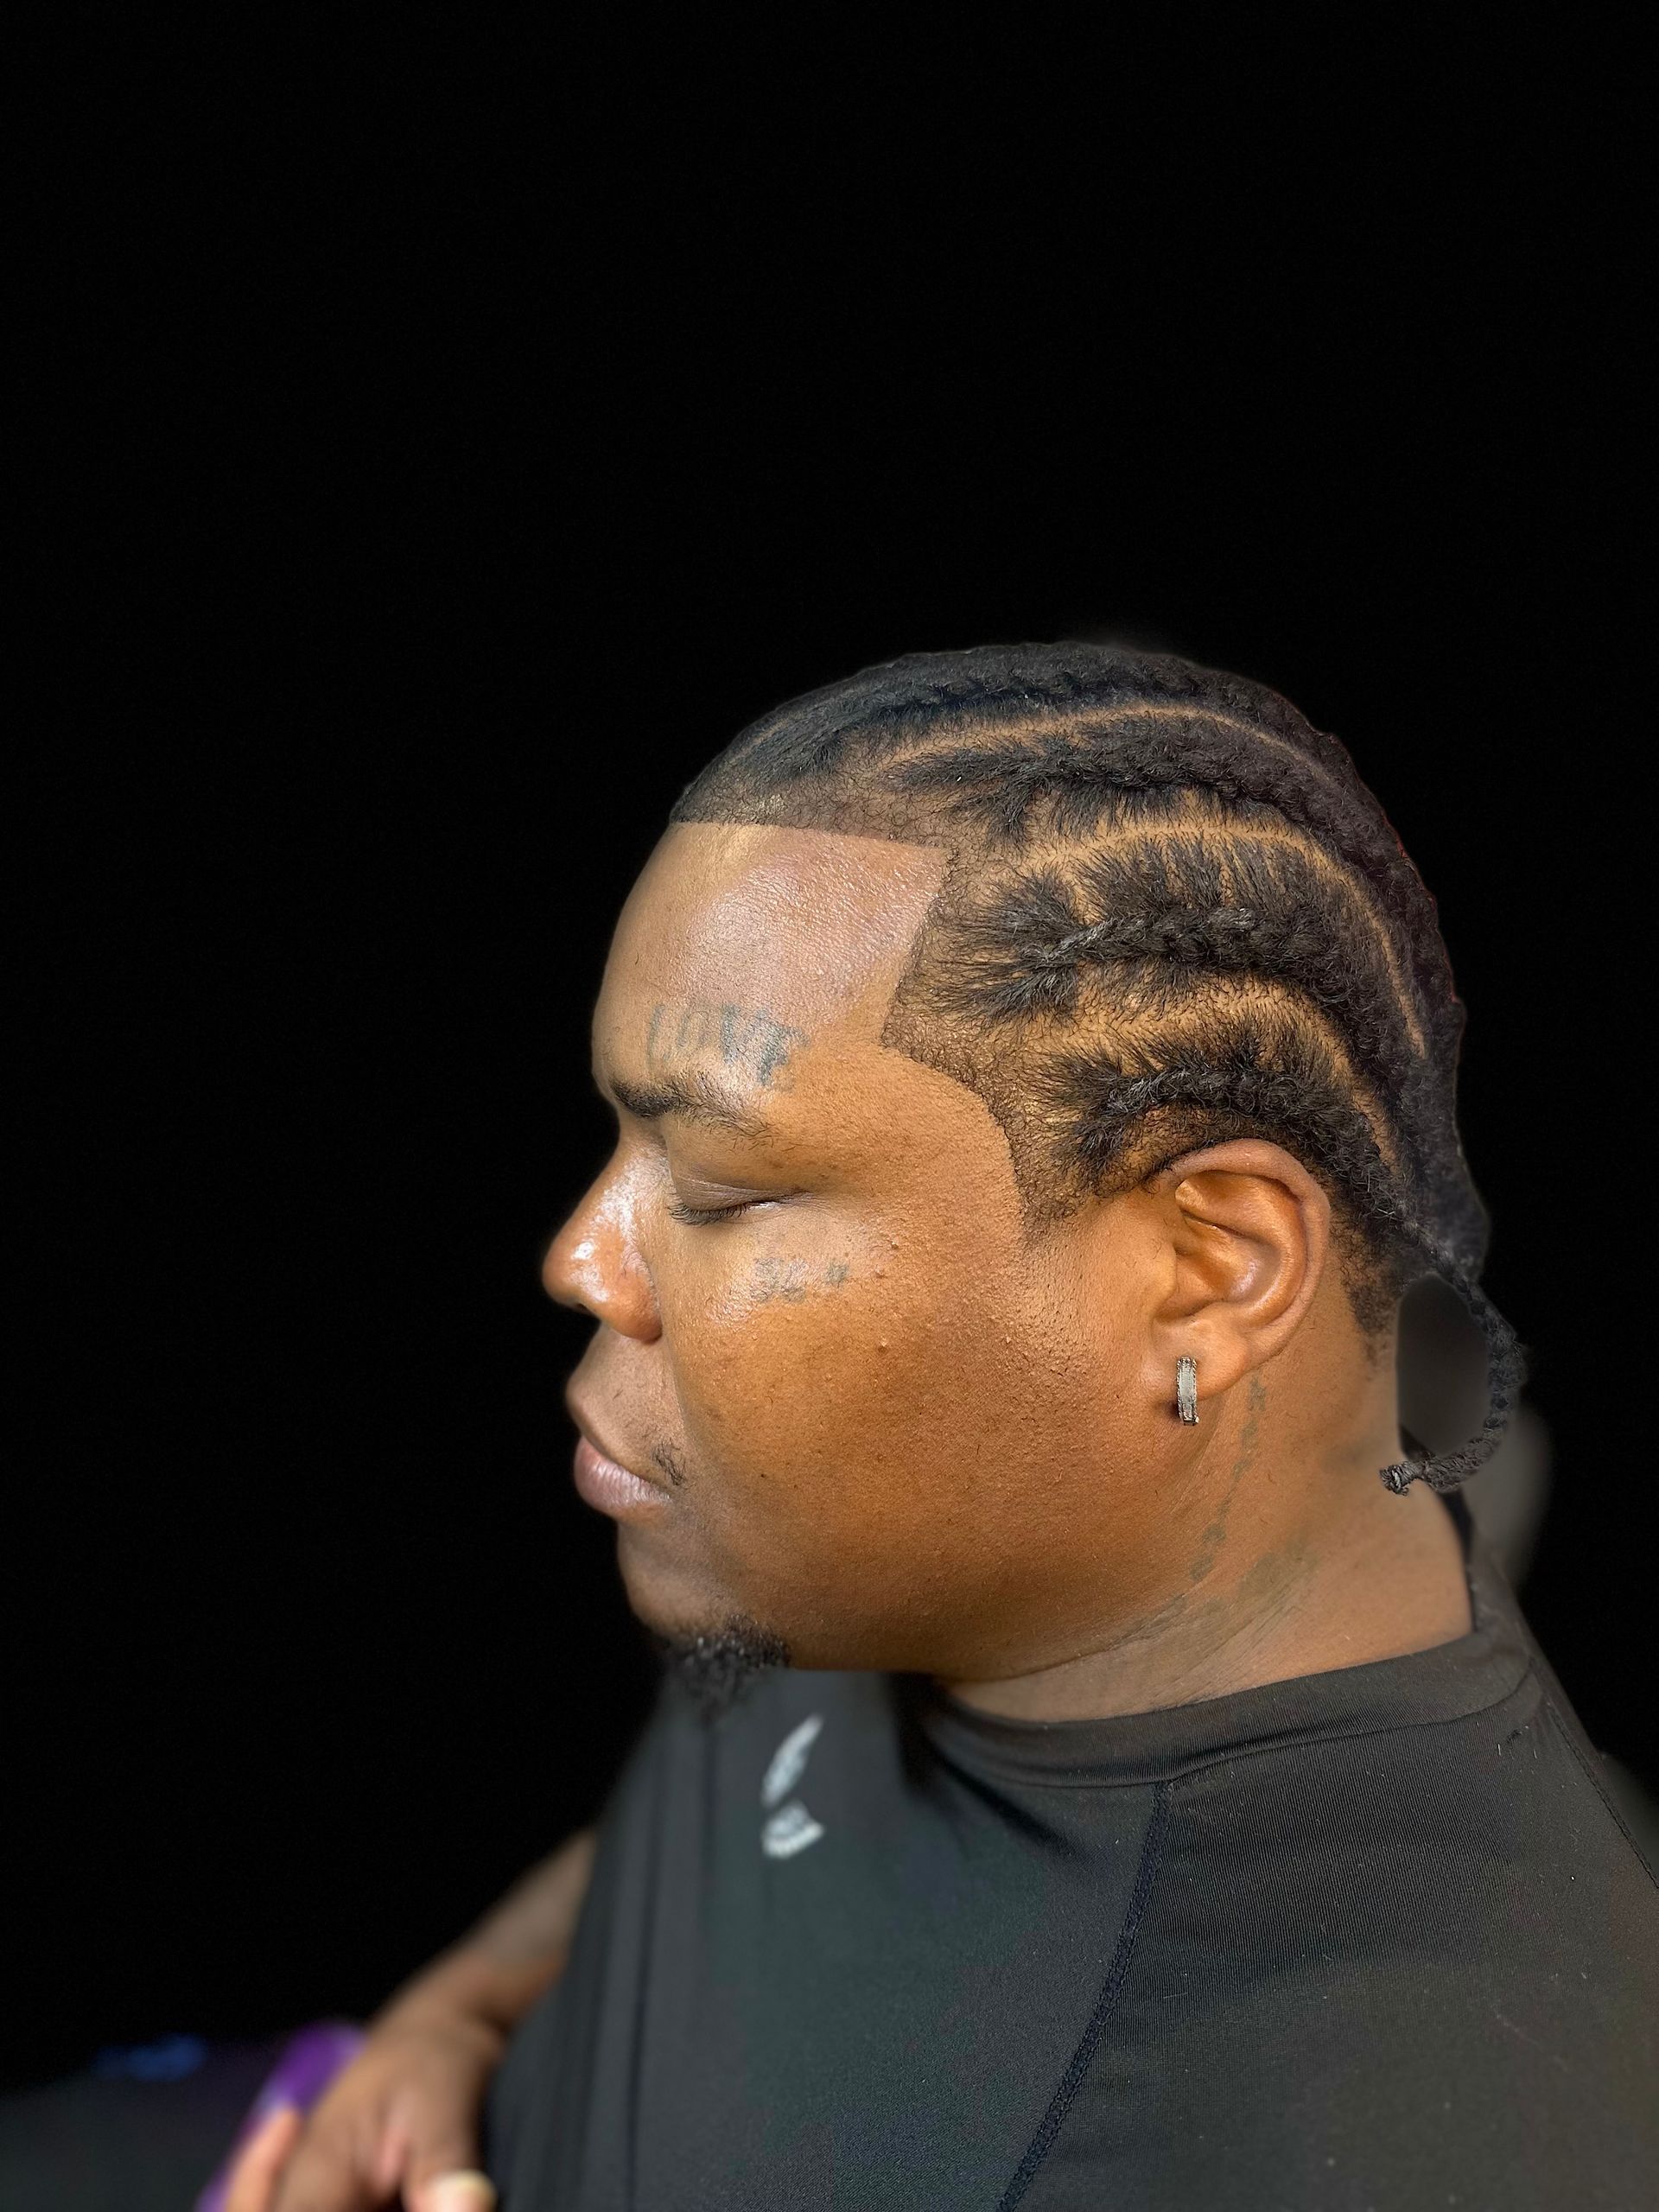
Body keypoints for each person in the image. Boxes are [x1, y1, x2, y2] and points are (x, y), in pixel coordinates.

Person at [232, 645, 1658, 2212]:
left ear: (1209, 1267)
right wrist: (464, 2016)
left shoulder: (1383, 2124)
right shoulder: (929, 1560)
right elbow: (733, 1835)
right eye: (617, 1144)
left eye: (718, 1190)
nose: (580, 1256)